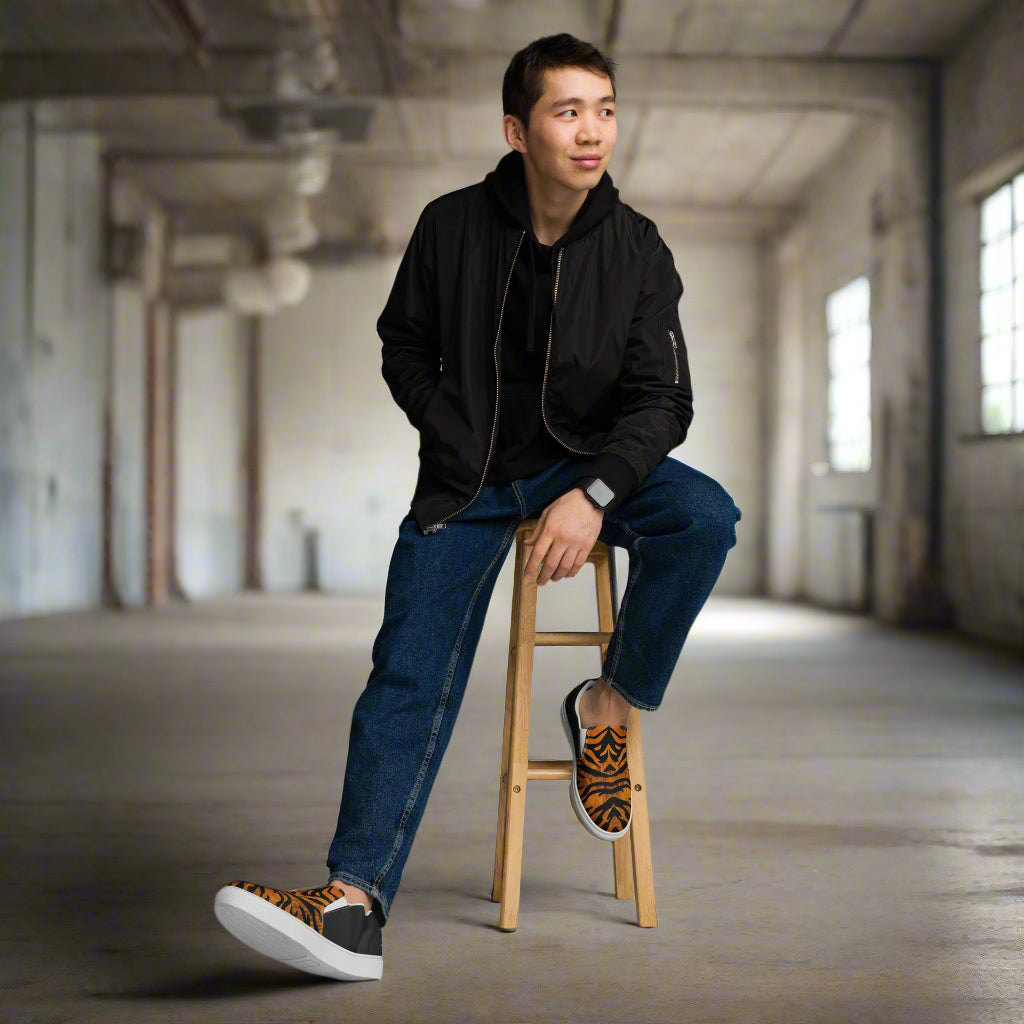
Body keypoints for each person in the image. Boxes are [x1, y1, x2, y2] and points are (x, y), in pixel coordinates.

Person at [213, 31, 741, 982]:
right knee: (406, 672)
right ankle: (352, 907)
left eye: (606, 109)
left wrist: (596, 493)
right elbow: (401, 341)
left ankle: (608, 710)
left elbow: (665, 400)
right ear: (517, 128)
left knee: (704, 517)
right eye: (568, 110)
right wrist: (446, 427)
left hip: (591, 465)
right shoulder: (450, 225)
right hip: (469, 480)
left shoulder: (637, 249)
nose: (593, 132)